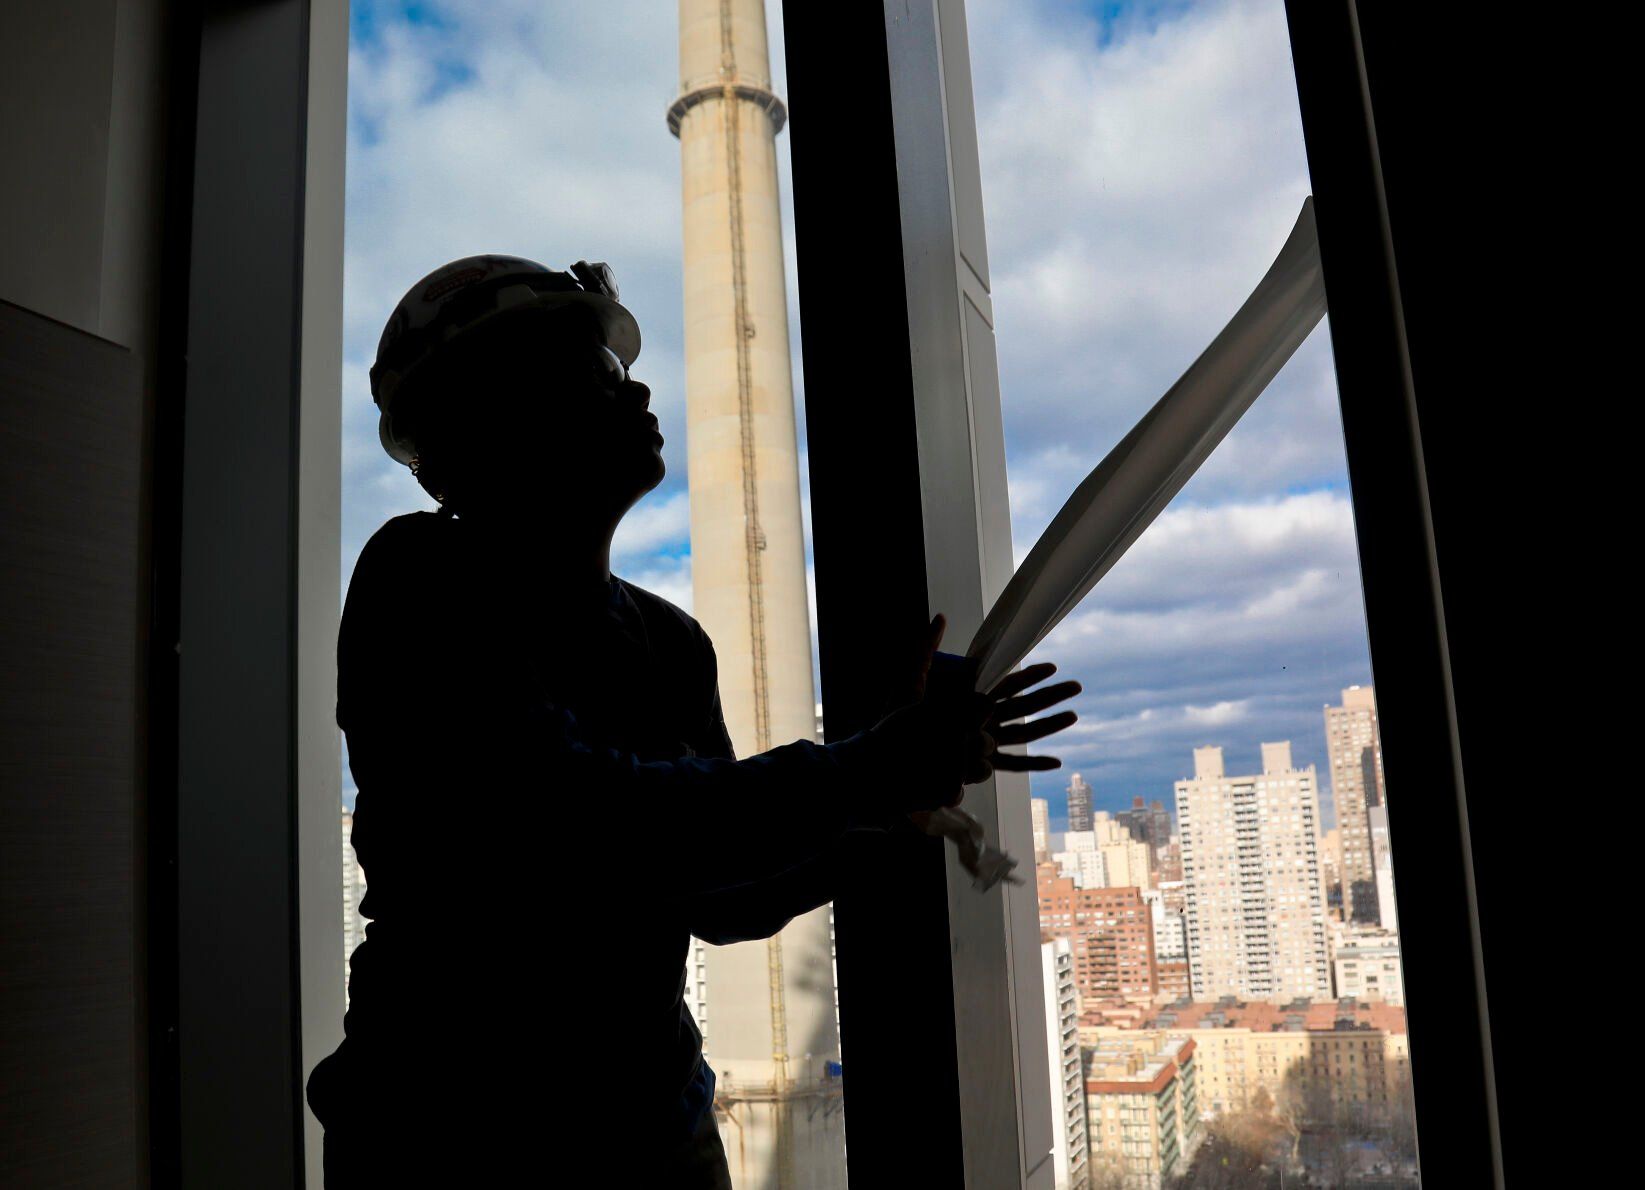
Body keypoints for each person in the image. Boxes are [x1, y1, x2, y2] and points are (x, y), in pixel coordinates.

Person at [304, 255, 1083, 1185]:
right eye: (593, 374)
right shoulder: (420, 581)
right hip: (453, 1136)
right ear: (488, 417)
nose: (633, 393)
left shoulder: (667, 640)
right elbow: (578, 822)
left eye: (620, 370)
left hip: (652, 1131)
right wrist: (866, 770)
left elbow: (720, 897)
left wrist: (891, 805)